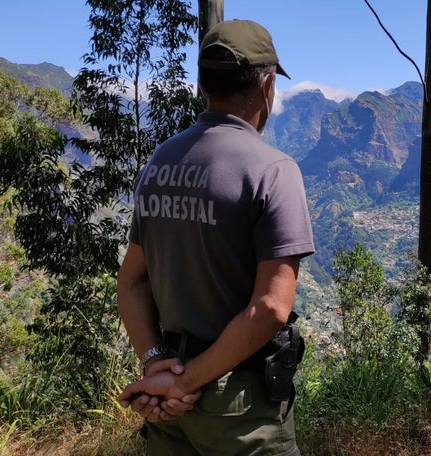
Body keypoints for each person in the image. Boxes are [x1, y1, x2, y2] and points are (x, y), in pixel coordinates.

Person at [116, 18, 314, 455]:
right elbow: (269, 308)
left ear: (204, 84)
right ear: (266, 86)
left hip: (171, 401)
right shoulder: (272, 169)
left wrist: (157, 368)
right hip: (238, 407)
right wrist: (187, 380)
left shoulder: (159, 163)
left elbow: (130, 280)